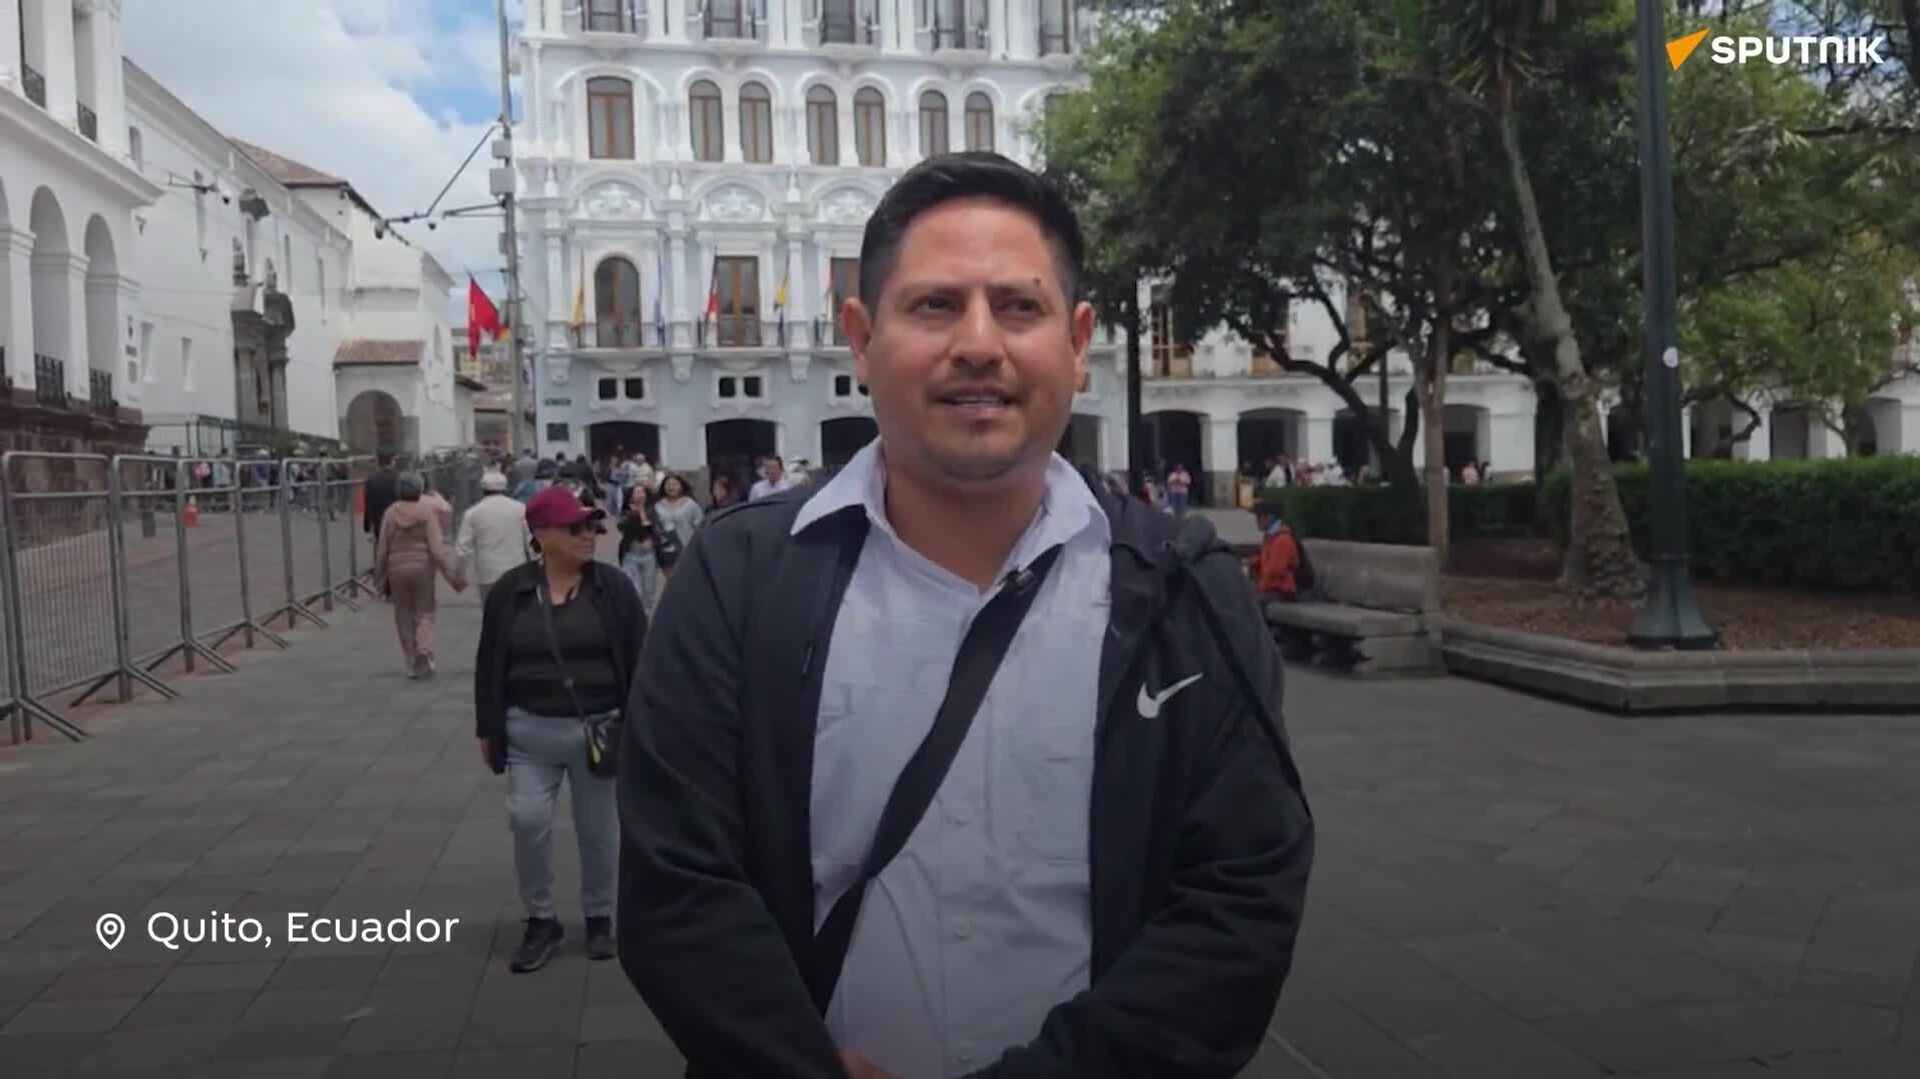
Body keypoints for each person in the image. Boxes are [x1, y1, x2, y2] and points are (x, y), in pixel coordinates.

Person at [618, 151, 1313, 1079]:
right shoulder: (740, 577)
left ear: (1077, 341)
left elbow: (1242, 894)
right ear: (862, 338)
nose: (979, 343)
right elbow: (677, 880)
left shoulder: (1183, 589)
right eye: (936, 305)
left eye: (1018, 307)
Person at [474, 487, 645, 974]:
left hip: (599, 732)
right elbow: (490, 662)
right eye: (575, 528)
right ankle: (541, 918)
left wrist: (643, 724)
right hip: (529, 731)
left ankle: (599, 917)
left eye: (591, 526)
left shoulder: (613, 588)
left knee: (599, 831)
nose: (588, 535)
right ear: (542, 535)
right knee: (527, 820)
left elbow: (641, 656)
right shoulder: (511, 592)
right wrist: (489, 726)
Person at [373, 471, 463, 678]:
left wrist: (379, 576)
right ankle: (425, 650)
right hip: (422, 567)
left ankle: (411, 659)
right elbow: (437, 548)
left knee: (403, 614)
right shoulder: (426, 513)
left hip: (396, 568)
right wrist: (452, 575)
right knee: (425, 611)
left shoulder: (390, 513)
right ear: (420, 489)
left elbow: (382, 548)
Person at [455, 471, 533, 600]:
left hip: (488, 573)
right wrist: (538, 562)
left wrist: (460, 574)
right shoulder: (520, 509)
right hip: (517, 571)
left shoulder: (473, 513)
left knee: (490, 610)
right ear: (505, 488)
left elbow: (462, 549)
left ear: (482, 490)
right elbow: (532, 540)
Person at [1249, 493, 1304, 604]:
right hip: (1271, 588)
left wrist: (1259, 588)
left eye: (1259, 516)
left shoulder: (1282, 539)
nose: (1256, 521)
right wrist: (1251, 563)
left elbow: (1275, 571)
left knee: (1248, 602)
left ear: (1270, 517)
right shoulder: (1271, 537)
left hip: (1283, 590)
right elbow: (1265, 560)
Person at [616, 486, 663, 614]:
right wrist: (634, 514)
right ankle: (636, 615)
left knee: (649, 591)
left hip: (649, 556)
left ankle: (646, 614)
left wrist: (642, 513)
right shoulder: (626, 512)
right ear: (631, 496)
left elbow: (654, 530)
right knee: (633, 588)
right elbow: (622, 528)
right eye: (636, 492)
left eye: (642, 492)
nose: (640, 495)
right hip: (630, 555)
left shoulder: (653, 510)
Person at [650, 473, 703, 583]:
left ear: (681, 486)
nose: (671, 487)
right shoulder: (657, 505)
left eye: (674, 484)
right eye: (668, 484)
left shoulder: (691, 504)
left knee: (687, 580)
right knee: (672, 582)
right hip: (666, 550)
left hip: (687, 548)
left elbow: (700, 526)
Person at [363, 451, 399, 542]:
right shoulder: (399, 477)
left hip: (379, 522)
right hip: (397, 521)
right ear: (391, 462)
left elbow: (368, 504)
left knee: (381, 546)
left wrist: (367, 527)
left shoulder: (371, 479)